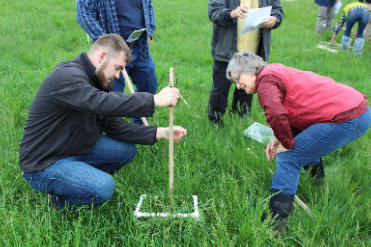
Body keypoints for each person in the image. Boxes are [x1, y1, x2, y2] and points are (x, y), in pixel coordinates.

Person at [19, 34, 187, 209]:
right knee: (103, 187)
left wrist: (161, 132)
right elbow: (100, 102)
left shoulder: (98, 82)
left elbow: (116, 127)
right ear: (102, 57)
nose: (117, 76)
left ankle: (77, 180)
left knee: (125, 149)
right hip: (44, 162)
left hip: (72, 148)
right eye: (117, 68)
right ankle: (60, 202)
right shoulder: (67, 76)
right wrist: (153, 100)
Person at [226, 51, 370, 236]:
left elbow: (277, 114)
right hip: (355, 110)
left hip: (348, 118)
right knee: (303, 146)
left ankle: (276, 226)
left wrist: (286, 143)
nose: (238, 86)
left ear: (252, 69)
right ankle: (318, 187)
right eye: (234, 82)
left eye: (238, 78)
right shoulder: (274, 72)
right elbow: (294, 111)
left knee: (289, 157)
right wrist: (281, 137)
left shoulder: (265, 81)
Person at [76, 0, 158, 124]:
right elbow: (84, 15)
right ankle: (112, 130)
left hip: (139, 46)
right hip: (111, 52)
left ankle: (139, 123)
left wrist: (149, 31)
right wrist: (107, 43)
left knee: (149, 85)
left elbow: (148, 6)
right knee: (112, 94)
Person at [207, 0, 284, 126]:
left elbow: (277, 10)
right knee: (220, 89)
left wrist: (274, 19)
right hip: (226, 51)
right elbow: (213, 11)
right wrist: (232, 13)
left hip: (253, 54)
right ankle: (215, 122)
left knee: (246, 90)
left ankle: (240, 122)